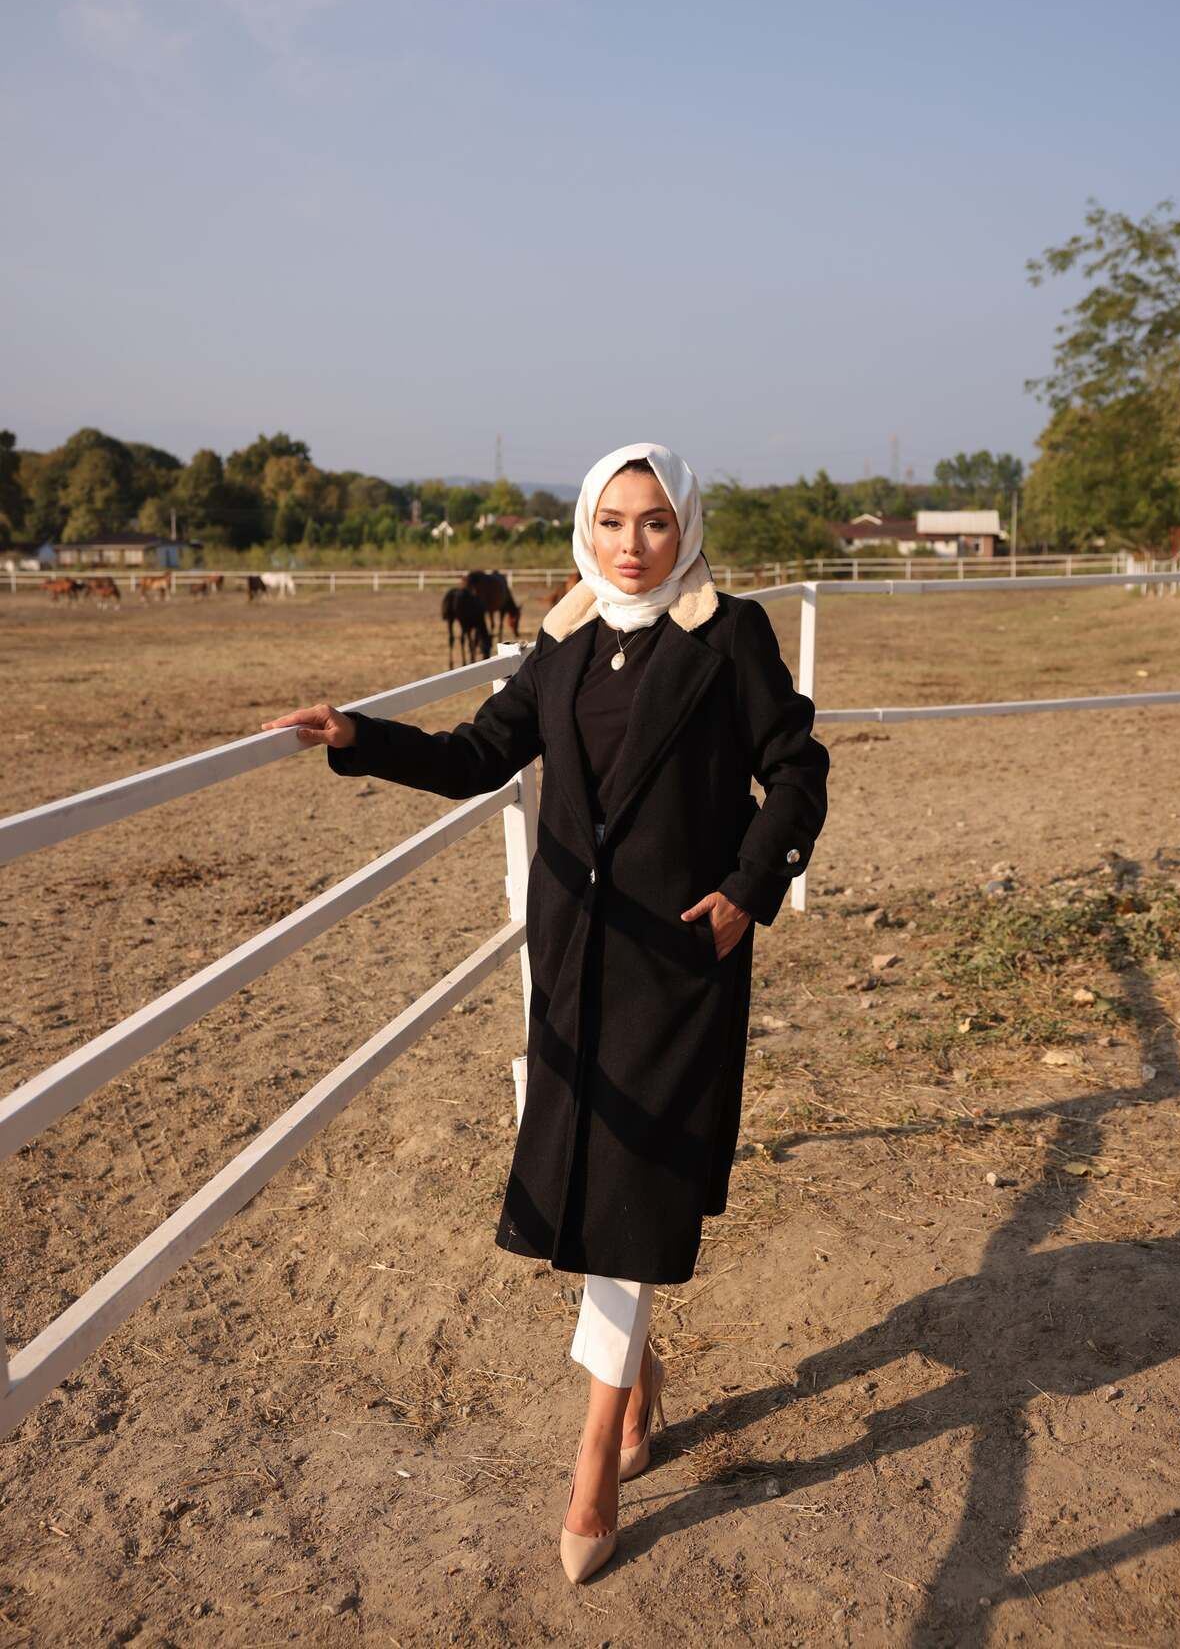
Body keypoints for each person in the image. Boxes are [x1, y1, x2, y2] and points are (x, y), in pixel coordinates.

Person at [264, 443, 830, 1583]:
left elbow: (798, 768)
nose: (633, 544)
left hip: (678, 960)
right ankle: (638, 1382)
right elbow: (481, 757)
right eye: (614, 521)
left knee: (627, 1192)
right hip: (574, 959)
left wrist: (749, 890)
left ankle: (591, 1466)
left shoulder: (732, 635)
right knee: (604, 1189)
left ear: (689, 529)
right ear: (586, 527)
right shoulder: (563, 639)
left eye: (657, 522)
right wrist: (361, 740)